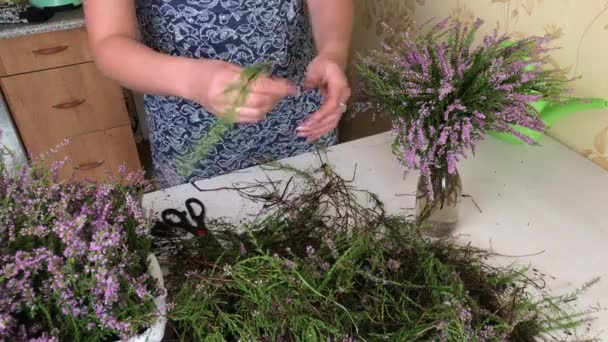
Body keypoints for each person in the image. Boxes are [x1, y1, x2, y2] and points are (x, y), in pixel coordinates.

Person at [83, 0, 354, 189]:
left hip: (301, 116)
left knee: (318, 223)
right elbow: (109, 42)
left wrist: (333, 51)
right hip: (191, 130)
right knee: (211, 255)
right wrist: (196, 81)